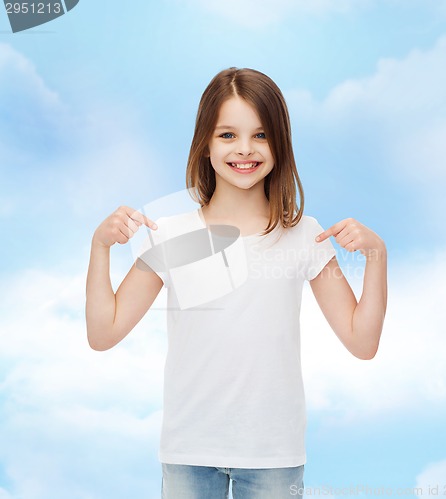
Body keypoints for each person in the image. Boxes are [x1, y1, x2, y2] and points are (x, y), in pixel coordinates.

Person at [85, 67, 387, 499]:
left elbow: (363, 342)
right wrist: (100, 248)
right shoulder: (171, 235)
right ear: (205, 143)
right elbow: (103, 333)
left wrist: (377, 256)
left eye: (260, 135)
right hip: (189, 448)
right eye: (228, 135)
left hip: (273, 454)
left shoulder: (305, 235)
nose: (244, 149)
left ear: (279, 144)